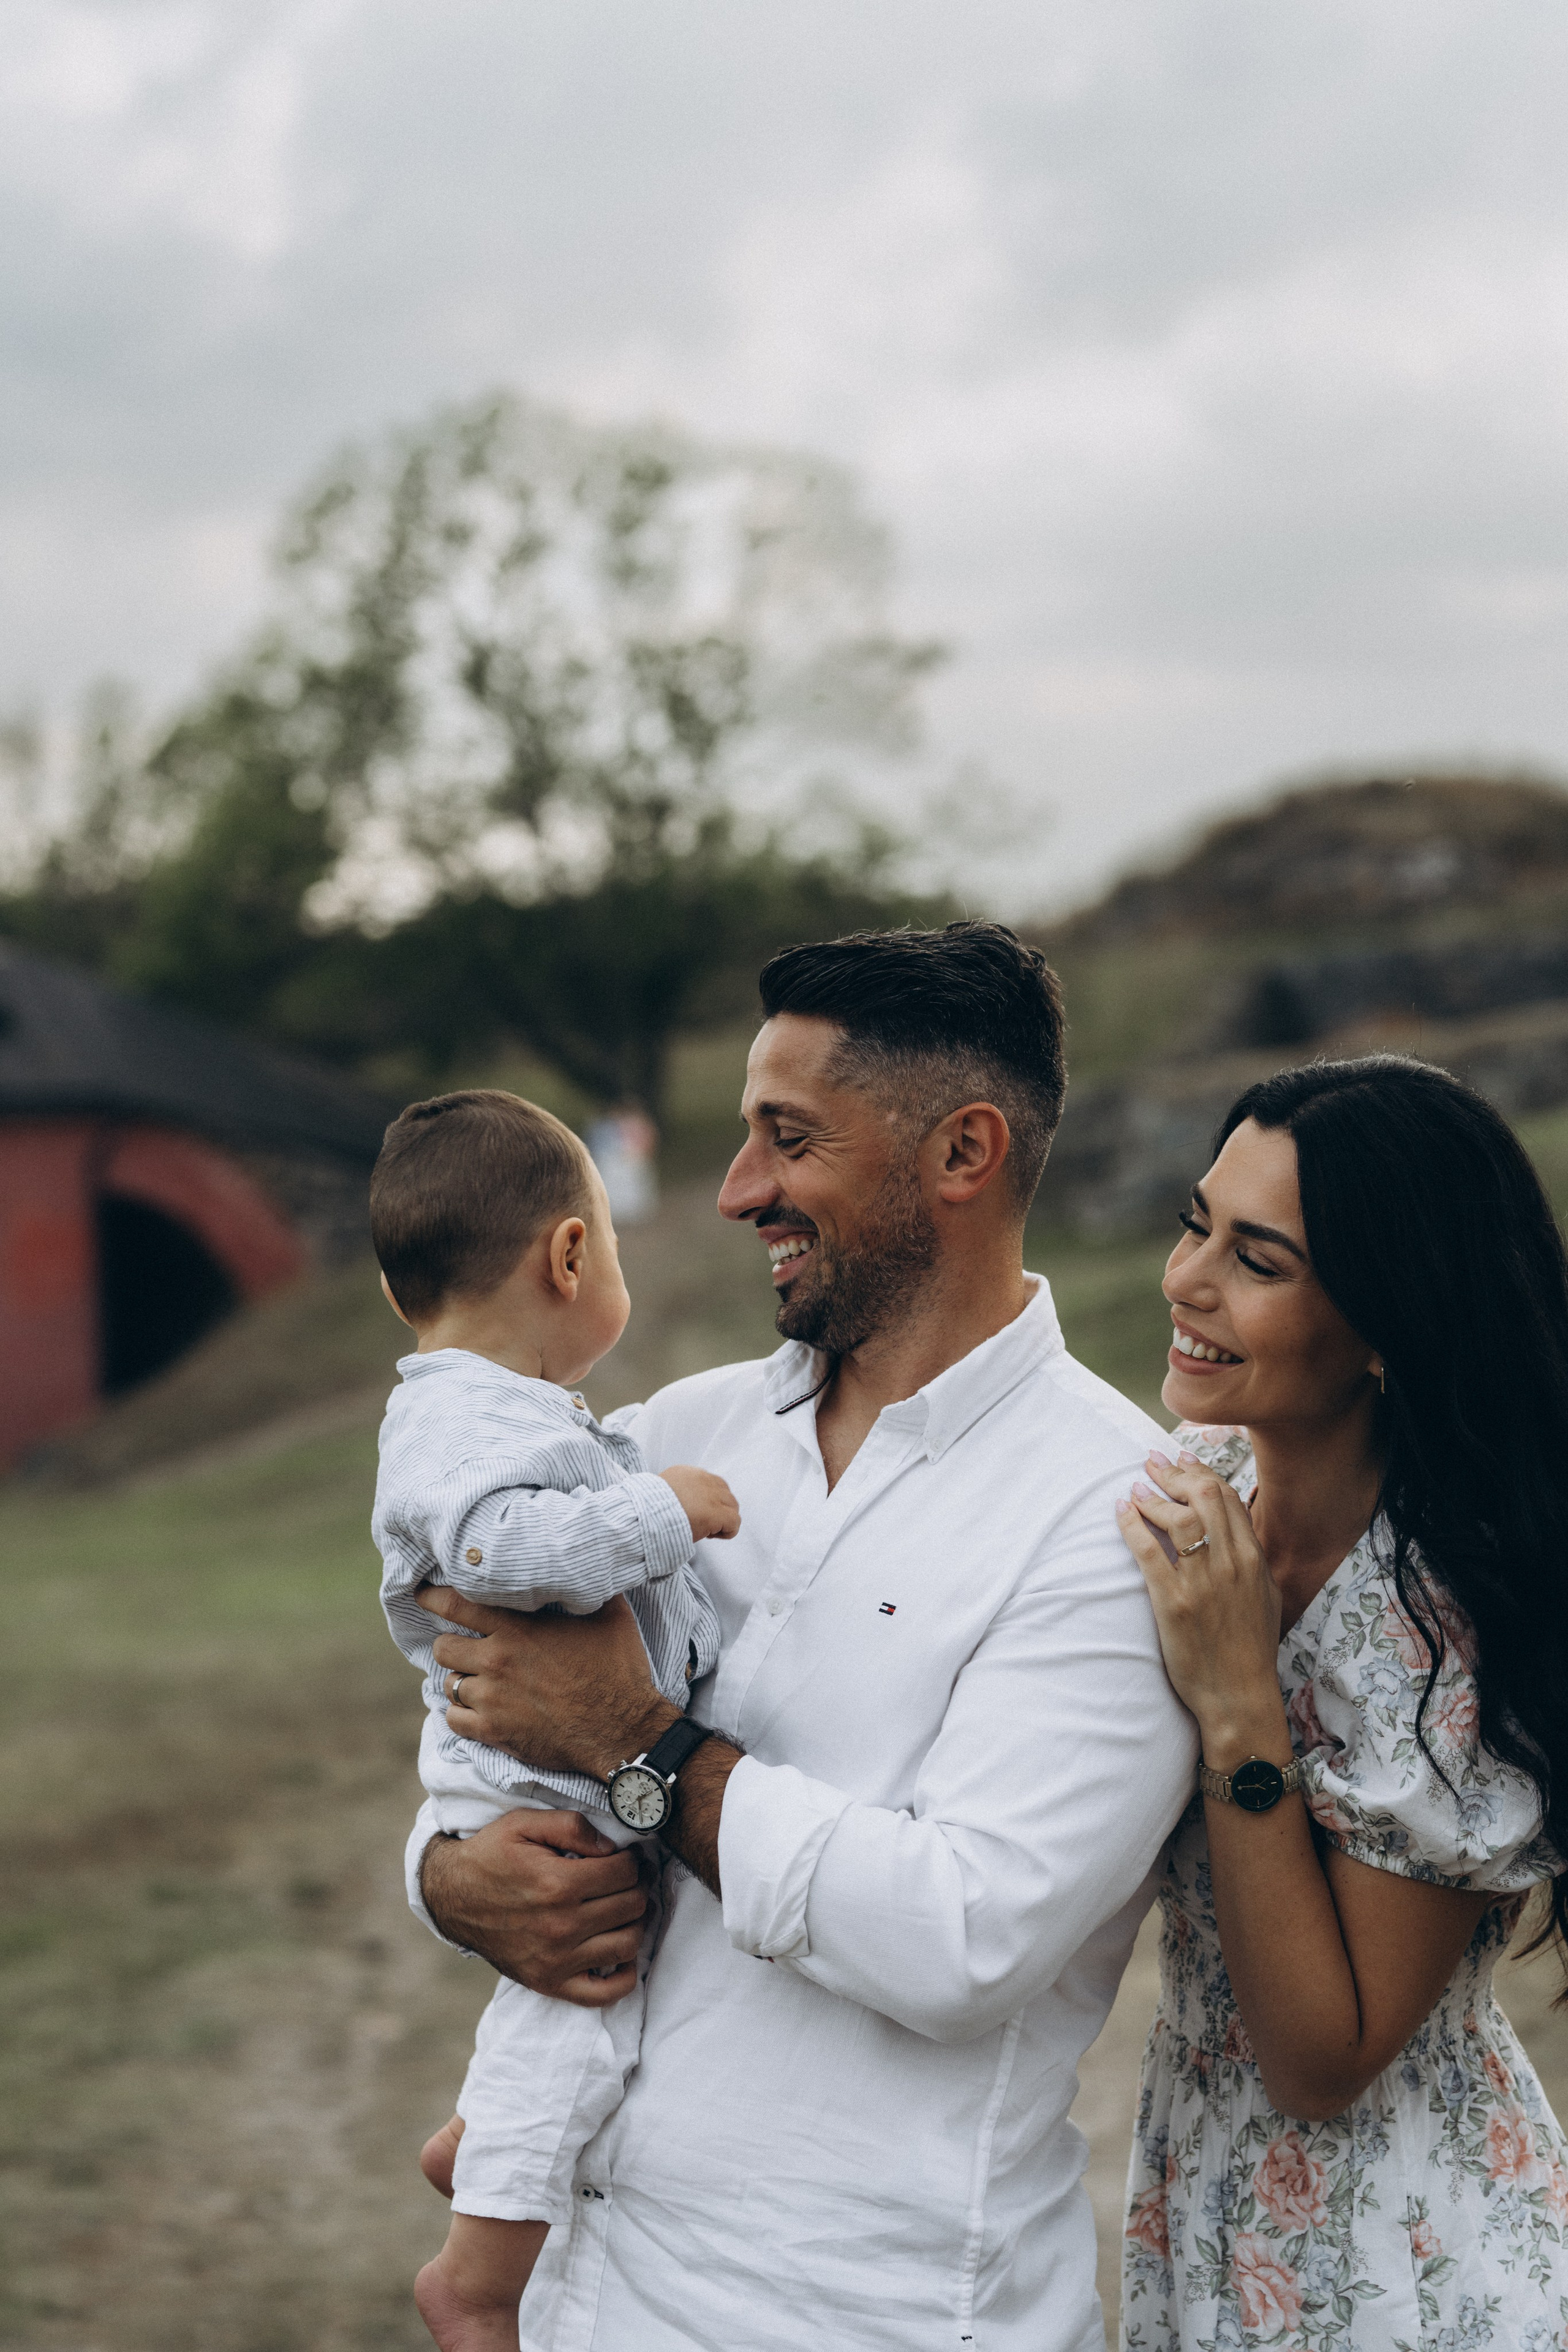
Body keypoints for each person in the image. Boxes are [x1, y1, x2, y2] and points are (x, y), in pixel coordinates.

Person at [405, 921, 1200, 2351]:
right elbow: (488, 1695)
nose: (734, 1190)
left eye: (786, 1138)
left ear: (960, 1153)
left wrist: (634, 1743)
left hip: (857, 2314)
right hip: (582, 2293)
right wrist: (449, 1876)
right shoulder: (670, 1435)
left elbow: (961, 1940)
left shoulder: (1109, 1512)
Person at [1115, 1056, 1568, 2350]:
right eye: (1196, 1225)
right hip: (1200, 2193)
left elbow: (1322, 2060)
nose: (1186, 1279)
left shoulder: (1444, 1626)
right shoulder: (1197, 1484)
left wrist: (1238, 1705)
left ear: (1384, 1324)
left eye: (1257, 1260)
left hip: (1405, 2257)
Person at [368, 1090, 736, 2352]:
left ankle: (485, 2141)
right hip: (534, 1781)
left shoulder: (491, 1407)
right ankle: (475, 2282)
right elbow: (498, 1548)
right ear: (571, 1255)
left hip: (541, 1770)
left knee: (583, 2012)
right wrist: (664, 1510)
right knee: (584, 2006)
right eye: (617, 1245)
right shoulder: (463, 1420)